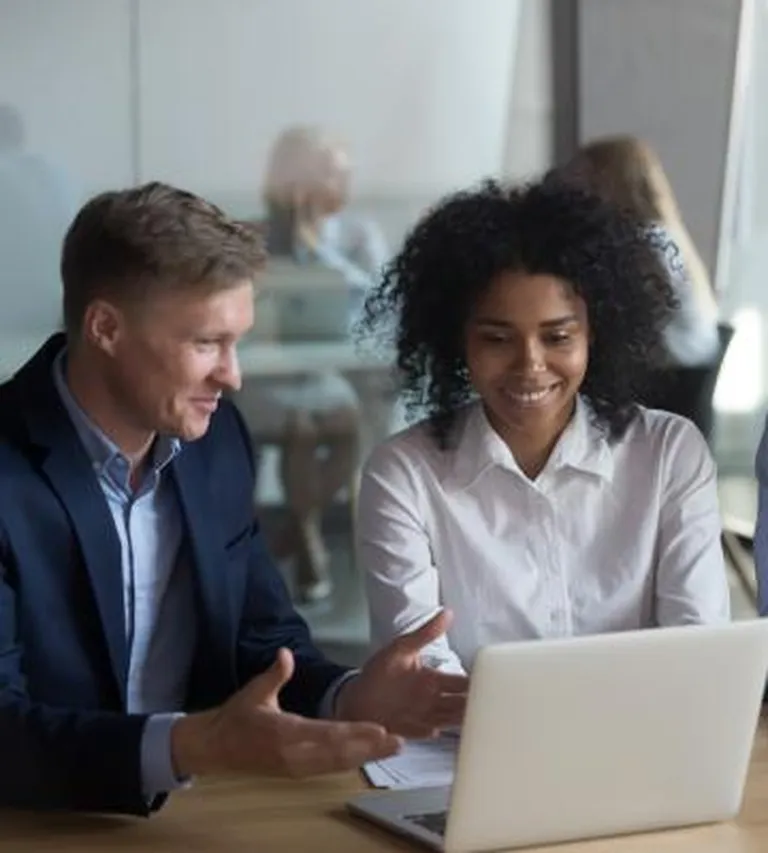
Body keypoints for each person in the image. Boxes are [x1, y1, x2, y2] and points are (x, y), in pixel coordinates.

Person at [0, 182, 467, 814]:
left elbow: (262, 641)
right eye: (205, 343)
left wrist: (347, 698)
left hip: (200, 813)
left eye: (237, 341)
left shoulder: (215, 442)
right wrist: (193, 745)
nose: (233, 374)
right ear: (105, 327)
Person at [356, 178, 730, 675]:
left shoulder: (667, 453)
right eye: (497, 339)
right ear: (458, 341)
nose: (530, 364)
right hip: (468, 745)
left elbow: (698, 643)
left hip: (645, 738)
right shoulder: (403, 474)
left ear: (594, 333)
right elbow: (419, 663)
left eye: (557, 336)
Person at [234, 125, 389, 603]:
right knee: (302, 426)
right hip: (265, 377)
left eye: (346, 174)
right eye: (331, 174)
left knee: (348, 422)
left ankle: (296, 531)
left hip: (323, 373)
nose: (343, 184)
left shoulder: (360, 234)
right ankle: (307, 541)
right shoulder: (250, 236)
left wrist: (313, 247)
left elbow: (378, 301)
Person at [559, 135, 719, 368]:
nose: (570, 185)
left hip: (675, 365)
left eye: (582, 176)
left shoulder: (647, 239)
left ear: (607, 180)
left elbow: (635, 316)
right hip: (687, 356)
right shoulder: (658, 230)